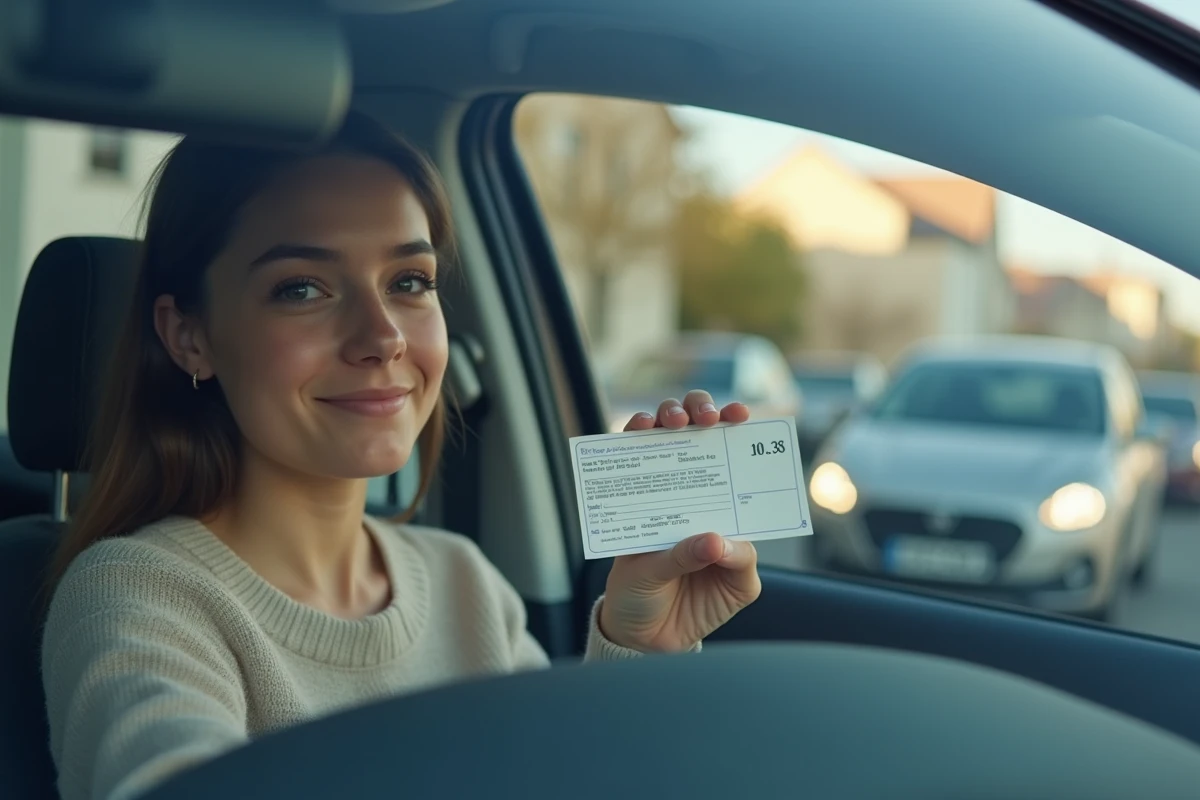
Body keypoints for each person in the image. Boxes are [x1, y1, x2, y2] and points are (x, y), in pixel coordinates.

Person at [40, 111, 762, 800]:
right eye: (301, 288)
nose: (381, 336)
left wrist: (641, 643)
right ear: (188, 336)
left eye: (409, 282)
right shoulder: (135, 595)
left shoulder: (465, 584)